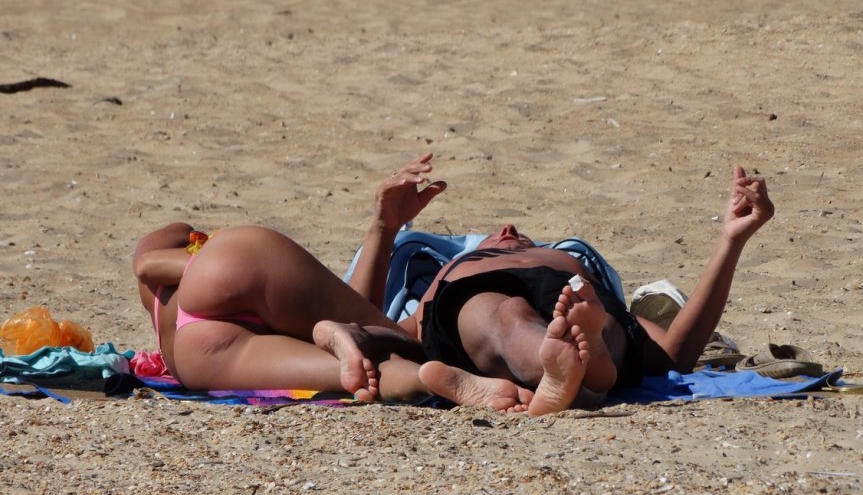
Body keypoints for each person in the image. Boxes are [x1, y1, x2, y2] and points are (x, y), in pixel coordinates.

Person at [399, 165, 775, 415]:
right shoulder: (455, 271)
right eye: (492, 238)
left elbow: (672, 355)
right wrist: (384, 228)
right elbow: (372, 328)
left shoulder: (565, 264)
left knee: (601, 323)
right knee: (511, 315)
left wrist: (731, 241)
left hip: (575, 292)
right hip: (474, 292)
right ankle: (580, 370)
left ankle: (575, 366)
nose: (508, 228)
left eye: (521, 236)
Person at [132, 153, 447, 402]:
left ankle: (433, 380)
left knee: (361, 371)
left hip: (197, 359)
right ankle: (437, 367)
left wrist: (384, 227)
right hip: (229, 275)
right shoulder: (199, 249)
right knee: (400, 346)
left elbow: (361, 323)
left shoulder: (171, 273)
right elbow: (147, 264)